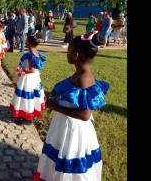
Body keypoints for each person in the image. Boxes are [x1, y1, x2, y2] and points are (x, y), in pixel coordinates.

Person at [33, 32, 108, 181]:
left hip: (73, 130)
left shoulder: (83, 79)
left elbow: (85, 115)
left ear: (76, 54)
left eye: (69, 50)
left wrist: (54, 106)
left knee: (70, 157)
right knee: (59, 154)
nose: (66, 53)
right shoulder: (79, 74)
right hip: (65, 126)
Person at [9, 35, 47, 124]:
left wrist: (21, 70)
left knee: (25, 96)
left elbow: (31, 70)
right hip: (35, 78)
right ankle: (30, 112)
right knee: (33, 95)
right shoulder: (36, 52)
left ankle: (24, 114)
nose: (25, 42)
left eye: (26, 41)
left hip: (28, 78)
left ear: (30, 43)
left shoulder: (30, 55)